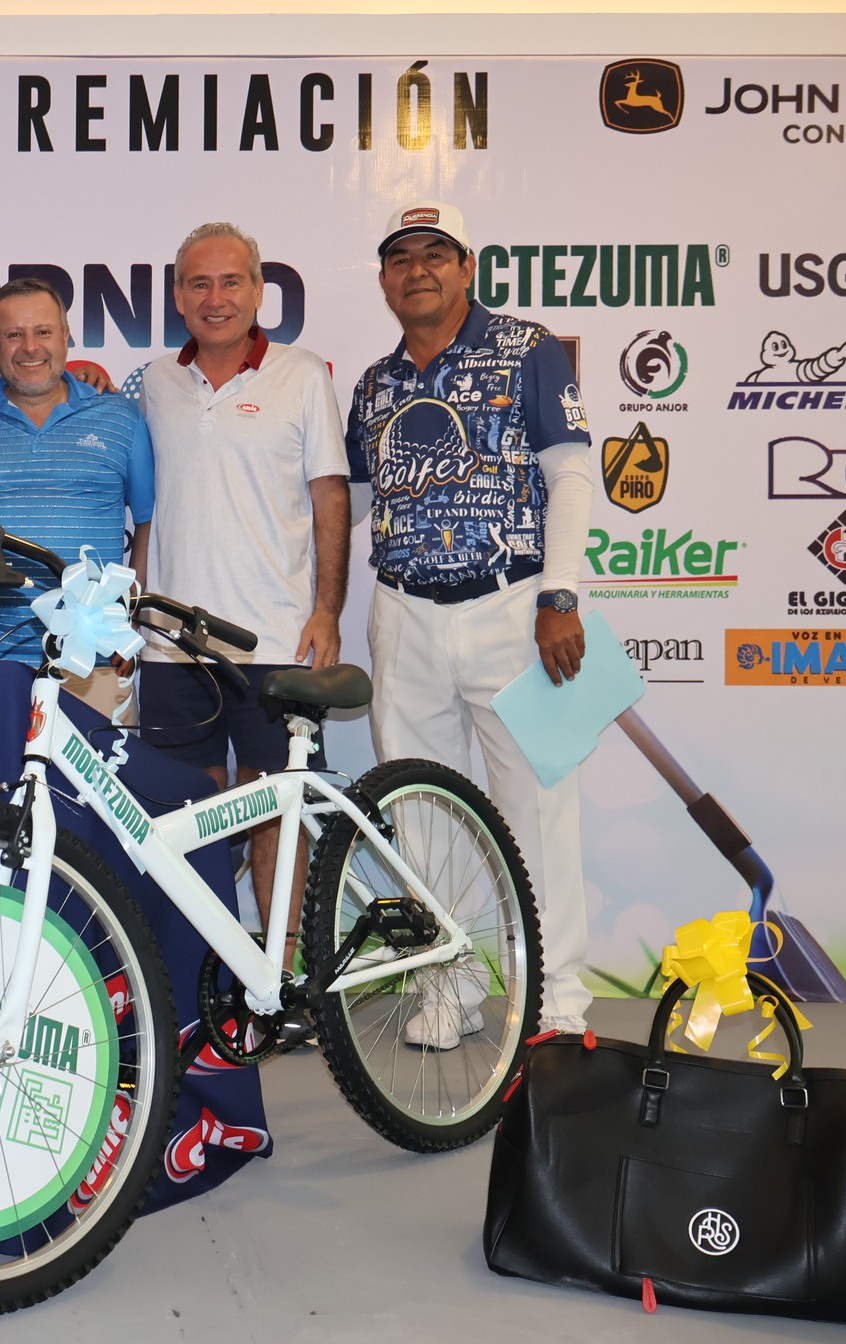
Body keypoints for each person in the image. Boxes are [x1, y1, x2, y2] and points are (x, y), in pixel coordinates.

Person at [344, 199, 596, 1045]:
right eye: (400, 257)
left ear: (466, 267)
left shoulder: (529, 349)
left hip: (514, 607)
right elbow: (352, 500)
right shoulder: (375, 385)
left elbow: (571, 475)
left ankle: (557, 1000)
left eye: (434, 253)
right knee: (421, 813)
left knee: (538, 812)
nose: (416, 269)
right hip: (404, 611)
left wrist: (560, 595)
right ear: (385, 279)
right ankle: (448, 984)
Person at [135, 222, 350, 962]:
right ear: (177, 296)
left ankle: (279, 979)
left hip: (275, 641)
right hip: (173, 648)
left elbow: (330, 497)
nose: (216, 297)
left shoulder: (303, 374)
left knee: (274, 814)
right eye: (199, 283)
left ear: (259, 291)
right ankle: (201, 977)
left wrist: (327, 610)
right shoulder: (154, 383)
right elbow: (147, 510)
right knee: (184, 814)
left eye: (231, 281)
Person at [0, 277, 154, 709]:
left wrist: (129, 617)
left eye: (43, 331)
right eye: (13, 334)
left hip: (95, 660)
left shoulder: (120, 418)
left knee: (99, 758)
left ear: (66, 337)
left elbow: (148, 524)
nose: (30, 347)